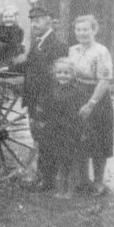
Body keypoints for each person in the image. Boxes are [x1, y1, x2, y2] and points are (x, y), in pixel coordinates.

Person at [5, 5, 68, 191]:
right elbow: (29, 64)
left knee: (47, 138)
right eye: (32, 20)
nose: (34, 24)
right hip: (33, 97)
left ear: (49, 20)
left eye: (38, 20)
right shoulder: (37, 41)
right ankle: (43, 176)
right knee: (38, 137)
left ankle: (47, 180)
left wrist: (43, 101)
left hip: (46, 99)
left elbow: (53, 78)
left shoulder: (57, 45)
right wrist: (8, 70)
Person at [68, 15, 114, 196]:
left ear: (94, 30)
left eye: (86, 29)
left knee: (99, 141)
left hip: (97, 98)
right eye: (78, 30)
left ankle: (99, 182)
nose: (82, 33)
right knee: (80, 139)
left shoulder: (101, 51)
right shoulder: (72, 50)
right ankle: (83, 179)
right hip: (77, 96)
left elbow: (104, 81)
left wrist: (91, 103)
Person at [36, 58, 88, 199]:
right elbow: (44, 108)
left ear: (73, 74)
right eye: (59, 72)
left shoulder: (78, 92)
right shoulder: (52, 90)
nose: (62, 75)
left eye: (66, 72)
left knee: (69, 161)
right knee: (59, 160)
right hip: (54, 129)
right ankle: (60, 190)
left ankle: (69, 190)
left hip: (71, 131)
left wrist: (82, 131)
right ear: (55, 74)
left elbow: (82, 115)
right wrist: (41, 119)